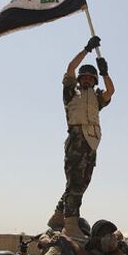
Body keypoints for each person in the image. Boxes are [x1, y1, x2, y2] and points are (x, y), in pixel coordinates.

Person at [48, 37, 115, 238]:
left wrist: (104, 72)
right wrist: (87, 49)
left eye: (90, 78)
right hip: (76, 139)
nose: (86, 79)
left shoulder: (97, 97)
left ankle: (58, 215)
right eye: (83, 77)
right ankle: (70, 223)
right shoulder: (70, 93)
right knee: (75, 182)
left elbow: (111, 91)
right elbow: (70, 68)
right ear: (79, 80)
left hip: (92, 142)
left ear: (94, 81)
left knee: (82, 182)